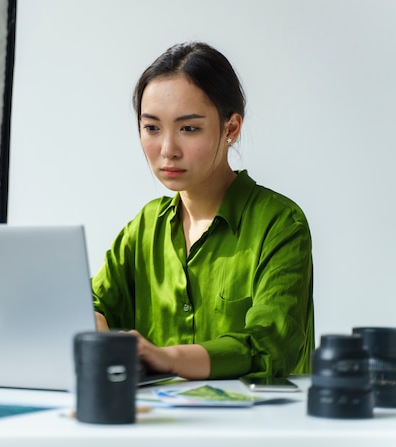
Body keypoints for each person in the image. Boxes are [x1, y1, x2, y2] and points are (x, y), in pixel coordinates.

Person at [92, 42, 314, 380]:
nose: (168, 150)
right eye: (152, 128)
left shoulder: (280, 224)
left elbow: (270, 345)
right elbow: (91, 301)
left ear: (231, 129)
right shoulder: (145, 227)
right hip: (158, 424)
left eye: (189, 128)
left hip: (255, 425)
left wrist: (167, 358)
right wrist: (90, 324)